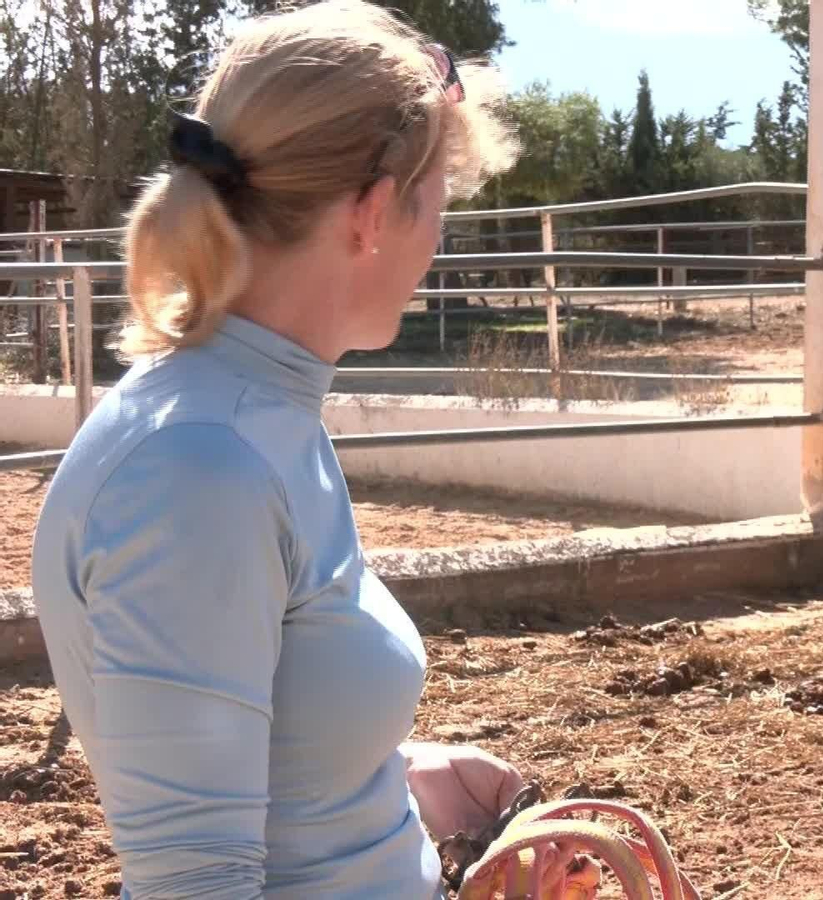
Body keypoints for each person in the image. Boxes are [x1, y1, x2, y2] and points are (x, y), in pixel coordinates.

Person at [28, 1, 528, 896]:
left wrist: (400, 777)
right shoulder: (199, 466)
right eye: (436, 209)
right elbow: (197, 879)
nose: (436, 246)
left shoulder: (250, 420)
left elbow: (256, 764)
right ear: (374, 213)